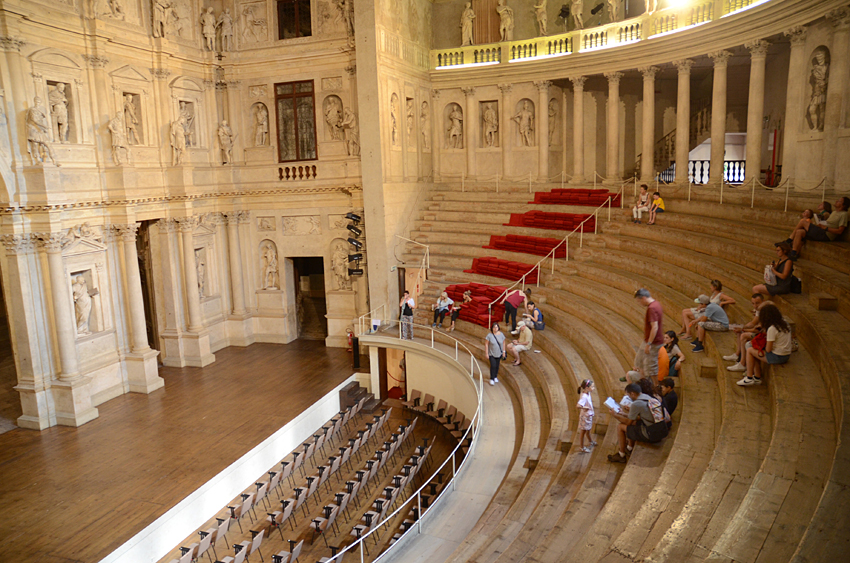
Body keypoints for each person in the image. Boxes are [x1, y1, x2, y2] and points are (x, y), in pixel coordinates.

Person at [607, 383, 668, 463]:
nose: (628, 397)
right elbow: (643, 416)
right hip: (661, 430)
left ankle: (621, 455)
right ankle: (629, 448)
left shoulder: (636, 404)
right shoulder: (647, 397)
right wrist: (623, 414)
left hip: (651, 434)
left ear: (632, 394)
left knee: (620, 427)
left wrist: (615, 415)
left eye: (628, 395)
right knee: (634, 424)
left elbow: (628, 422)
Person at [737, 303, 792, 386]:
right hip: (786, 354)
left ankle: (749, 377)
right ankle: (757, 376)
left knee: (750, 350)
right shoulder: (785, 323)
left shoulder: (772, 329)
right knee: (753, 348)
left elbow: (768, 349)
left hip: (777, 357)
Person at [783, 196, 848, 260]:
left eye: (839, 201)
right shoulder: (834, 212)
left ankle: (789, 240)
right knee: (799, 231)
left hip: (826, 234)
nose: (836, 201)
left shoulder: (844, 214)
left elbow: (840, 231)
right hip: (822, 230)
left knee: (803, 221)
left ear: (844, 205)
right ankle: (794, 253)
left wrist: (826, 228)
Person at [724, 293, 766, 372]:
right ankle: (737, 355)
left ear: (763, 301)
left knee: (743, 335)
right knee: (740, 331)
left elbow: (758, 330)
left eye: (757, 303)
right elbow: (753, 323)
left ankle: (742, 364)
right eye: (753, 303)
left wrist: (743, 330)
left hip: (765, 336)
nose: (755, 306)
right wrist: (743, 327)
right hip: (762, 333)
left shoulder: (765, 311)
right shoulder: (759, 310)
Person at [634, 288, 664, 378]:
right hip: (649, 340)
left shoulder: (651, 308)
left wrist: (649, 343)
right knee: (639, 361)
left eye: (639, 301)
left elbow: (654, 327)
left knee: (651, 367)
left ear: (643, 298)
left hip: (653, 342)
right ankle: (642, 381)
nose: (640, 304)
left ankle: (655, 388)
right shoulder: (656, 304)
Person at [577, 379, 596, 453]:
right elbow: (578, 406)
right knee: (583, 432)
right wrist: (586, 407)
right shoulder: (584, 396)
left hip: (588, 415)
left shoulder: (587, 393)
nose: (593, 388)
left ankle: (590, 441)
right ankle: (581, 447)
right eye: (592, 386)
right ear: (587, 388)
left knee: (588, 430)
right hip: (585, 417)